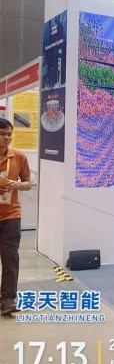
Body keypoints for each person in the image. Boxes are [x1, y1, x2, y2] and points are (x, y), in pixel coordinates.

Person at [0, 119, 32, 316]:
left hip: (11, 215)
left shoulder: (19, 157)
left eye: (9, 134)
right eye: (2, 134)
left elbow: (28, 183)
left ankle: (7, 300)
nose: (7, 138)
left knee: (10, 258)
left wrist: (18, 185)